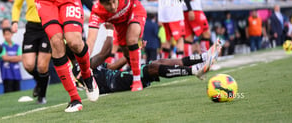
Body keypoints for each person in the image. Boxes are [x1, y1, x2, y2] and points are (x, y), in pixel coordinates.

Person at [83, 31, 220, 94]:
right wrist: (109, 31)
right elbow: (104, 53)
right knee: (153, 67)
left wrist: (134, 51)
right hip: (115, 84)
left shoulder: (90, 62)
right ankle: (195, 70)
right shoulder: (81, 67)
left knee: (158, 61)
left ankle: (203, 57)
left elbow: (112, 66)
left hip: (121, 76)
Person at [87, 0, 145, 92]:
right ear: (101, 3)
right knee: (126, 52)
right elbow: (91, 39)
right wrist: (84, 63)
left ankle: (137, 81)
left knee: (132, 39)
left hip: (134, 10)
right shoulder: (96, 11)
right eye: (108, 4)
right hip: (119, 24)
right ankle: (137, 72)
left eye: (114, 2)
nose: (113, 7)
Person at [11, 0, 51, 104]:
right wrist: (15, 21)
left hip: (47, 25)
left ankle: (42, 96)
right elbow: (17, 5)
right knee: (28, 65)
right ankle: (41, 82)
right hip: (32, 28)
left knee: (42, 66)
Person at [0, 27, 22, 93]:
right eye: (5, 34)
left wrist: (8, 57)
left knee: (17, 92)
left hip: (16, 74)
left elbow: (20, 58)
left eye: (9, 34)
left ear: (12, 34)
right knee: (8, 93)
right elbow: (4, 58)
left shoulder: (17, 46)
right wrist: (15, 57)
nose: (7, 36)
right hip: (7, 74)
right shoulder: (2, 46)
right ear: (3, 35)